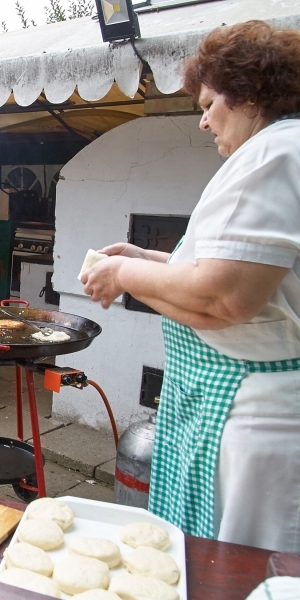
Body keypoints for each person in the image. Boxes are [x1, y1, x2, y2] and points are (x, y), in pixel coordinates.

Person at [80, 20, 300, 553]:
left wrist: (123, 275)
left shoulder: (275, 152)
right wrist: (144, 257)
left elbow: (222, 298)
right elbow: (228, 271)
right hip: (222, 400)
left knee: (236, 568)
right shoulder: (271, 151)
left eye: (207, 104)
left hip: (253, 413)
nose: (203, 122)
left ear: (245, 91)